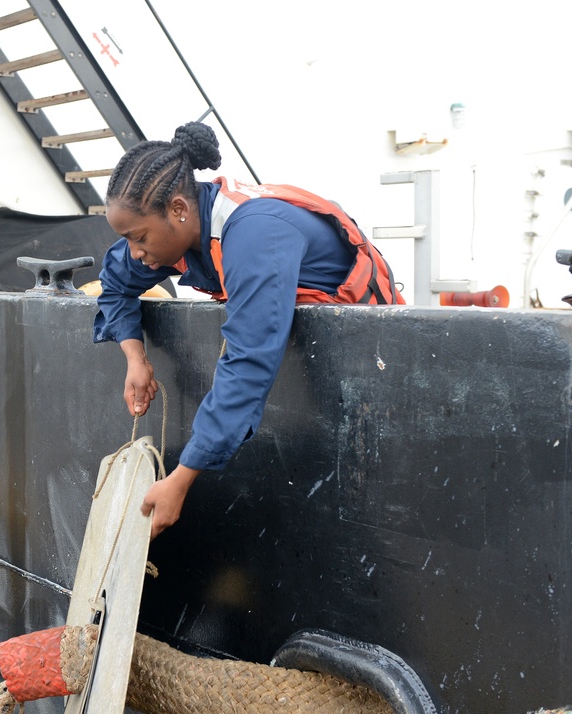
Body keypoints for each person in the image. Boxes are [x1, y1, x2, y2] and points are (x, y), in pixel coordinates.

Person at [93, 122, 403, 539]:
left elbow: (249, 361)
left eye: (139, 238)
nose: (135, 251)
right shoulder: (175, 231)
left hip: (368, 363)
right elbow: (114, 282)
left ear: (179, 210)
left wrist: (180, 479)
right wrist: (135, 357)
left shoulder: (255, 233)